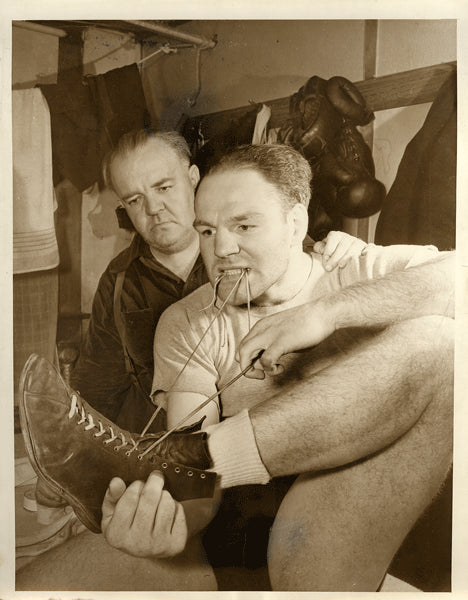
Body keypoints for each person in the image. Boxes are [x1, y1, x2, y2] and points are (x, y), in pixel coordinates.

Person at [98, 144, 454, 591]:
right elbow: (195, 494)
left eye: (243, 225)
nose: (222, 248)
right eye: (206, 231)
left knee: (444, 342)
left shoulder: (353, 269)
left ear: (295, 224)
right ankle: (209, 459)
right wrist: (168, 521)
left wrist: (323, 314)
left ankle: (215, 455)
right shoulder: (188, 320)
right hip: (247, 526)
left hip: (354, 516)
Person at [70, 129, 369, 434]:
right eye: (134, 200)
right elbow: (95, 390)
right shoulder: (119, 280)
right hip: (169, 444)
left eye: (163, 187)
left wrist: (349, 254)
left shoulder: (269, 247)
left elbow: (307, 263)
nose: (153, 209)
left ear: (193, 177)